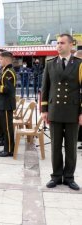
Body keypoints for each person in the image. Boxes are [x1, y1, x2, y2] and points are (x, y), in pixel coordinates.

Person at [41, 34, 82, 191]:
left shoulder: (79, 64)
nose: (59, 45)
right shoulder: (50, 63)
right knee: (56, 146)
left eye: (62, 43)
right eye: (57, 43)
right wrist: (44, 110)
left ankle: (69, 177)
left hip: (72, 110)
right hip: (55, 110)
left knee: (71, 147)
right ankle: (56, 176)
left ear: (71, 45)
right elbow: (45, 88)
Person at [0, 51, 16, 157]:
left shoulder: (9, 72)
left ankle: (9, 150)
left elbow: (8, 89)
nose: (0, 61)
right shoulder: (4, 70)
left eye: (1, 59)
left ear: (7, 59)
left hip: (7, 103)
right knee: (5, 127)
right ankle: (7, 148)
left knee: (8, 128)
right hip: (2, 103)